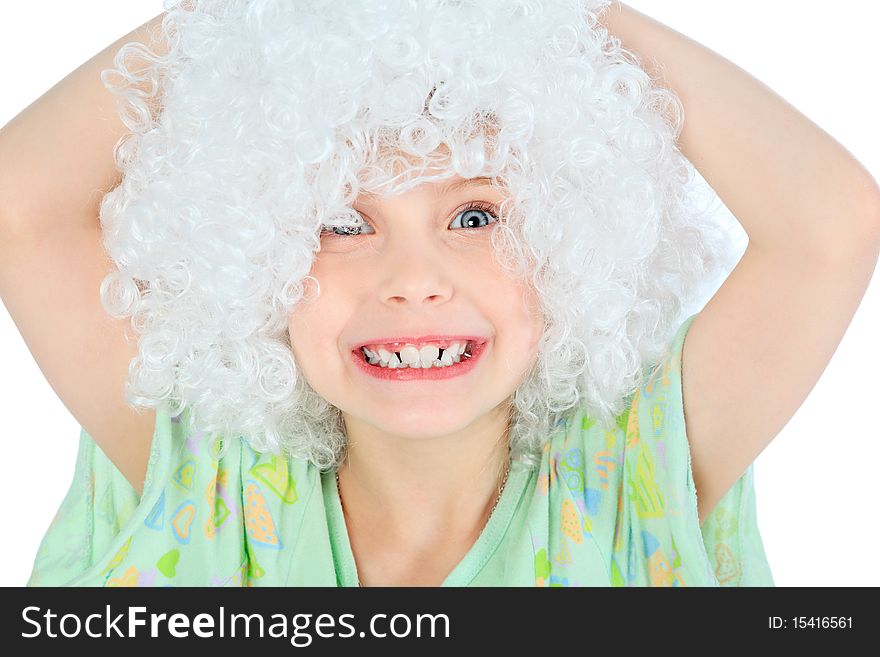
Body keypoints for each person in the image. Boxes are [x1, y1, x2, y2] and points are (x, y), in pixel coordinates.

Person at [2, 0, 877, 587]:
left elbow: (831, 225)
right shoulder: (205, 470)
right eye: (344, 222)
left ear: (568, 245)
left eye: (474, 215)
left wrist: (564, 11)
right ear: (254, 258)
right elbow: (18, 202)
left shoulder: (633, 470)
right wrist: (242, 15)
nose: (413, 281)